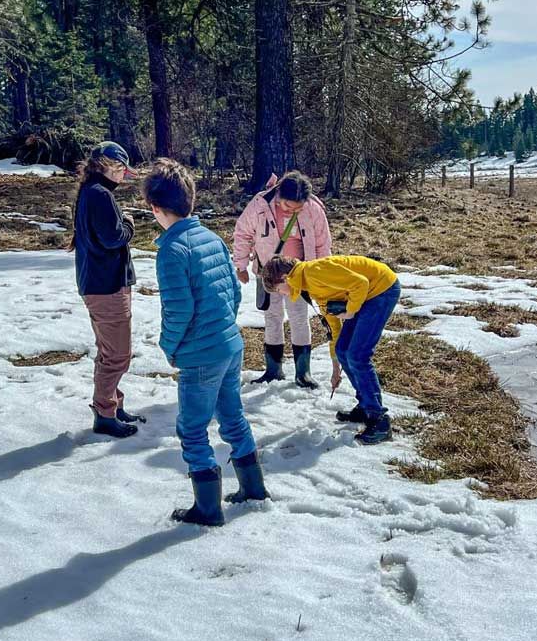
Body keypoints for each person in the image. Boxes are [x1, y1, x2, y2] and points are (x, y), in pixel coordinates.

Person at [145, 159, 268, 526]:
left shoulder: (172, 250)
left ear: (154, 207)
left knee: (192, 428)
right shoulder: (211, 238)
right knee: (232, 416)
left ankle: (208, 508)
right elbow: (234, 292)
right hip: (230, 344)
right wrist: (223, 326)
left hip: (201, 354)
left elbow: (179, 310)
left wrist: (169, 347)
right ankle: (253, 488)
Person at [262, 254, 401, 445]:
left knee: (358, 356)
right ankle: (365, 406)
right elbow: (334, 328)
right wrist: (336, 368)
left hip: (381, 289)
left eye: (279, 289)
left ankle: (379, 420)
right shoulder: (308, 286)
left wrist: (351, 310)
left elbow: (360, 283)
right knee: (344, 350)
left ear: (285, 278)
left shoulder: (314, 272)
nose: (282, 294)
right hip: (364, 295)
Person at [70, 141, 145, 439]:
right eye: (122, 170)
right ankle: (104, 414)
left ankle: (113, 405)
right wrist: (129, 224)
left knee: (109, 351)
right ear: (110, 166)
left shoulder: (91, 191)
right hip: (106, 285)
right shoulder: (100, 194)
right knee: (117, 354)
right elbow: (113, 237)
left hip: (100, 282)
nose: (123, 176)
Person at [233, 171, 332, 388]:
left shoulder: (313, 209)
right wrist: (240, 265)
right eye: (288, 206)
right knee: (272, 317)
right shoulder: (260, 204)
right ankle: (273, 370)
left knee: (299, 317)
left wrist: (321, 273)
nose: (292, 210)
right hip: (267, 272)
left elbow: (322, 243)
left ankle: (303, 372)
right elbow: (242, 233)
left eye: (298, 208)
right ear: (279, 195)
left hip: (299, 274)